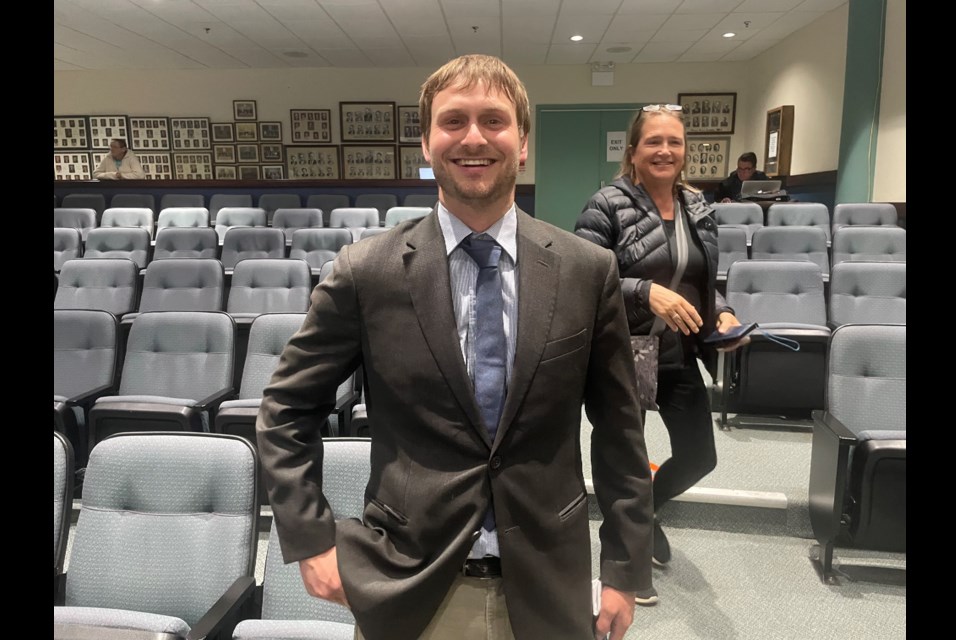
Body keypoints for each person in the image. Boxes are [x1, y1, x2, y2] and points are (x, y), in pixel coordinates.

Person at [256, 54, 654, 640]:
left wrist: (624, 567)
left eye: (494, 120)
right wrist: (310, 539)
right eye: (454, 121)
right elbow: (286, 411)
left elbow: (621, 430)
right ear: (426, 142)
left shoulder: (586, 270)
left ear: (522, 142)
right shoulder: (367, 272)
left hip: (549, 582)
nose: (474, 138)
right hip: (411, 584)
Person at [574, 104, 750, 569]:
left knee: (698, 456)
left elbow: (702, 277)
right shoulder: (606, 204)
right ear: (633, 152)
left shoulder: (696, 205)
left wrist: (725, 315)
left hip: (677, 353)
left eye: (674, 142)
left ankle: (646, 513)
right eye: (653, 141)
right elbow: (583, 280)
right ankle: (625, 560)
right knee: (623, 462)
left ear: (684, 152)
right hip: (623, 352)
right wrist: (644, 292)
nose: (664, 151)